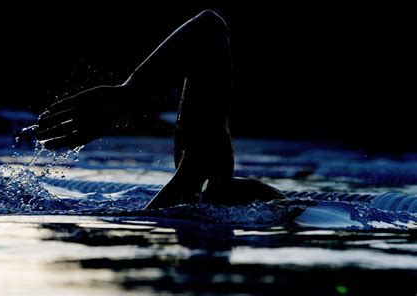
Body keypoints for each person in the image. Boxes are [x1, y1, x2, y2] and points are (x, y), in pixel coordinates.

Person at [36, 10, 285, 209]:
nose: (242, 183)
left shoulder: (196, 178)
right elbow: (209, 26)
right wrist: (131, 94)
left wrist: (131, 93)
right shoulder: (200, 179)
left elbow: (209, 26)